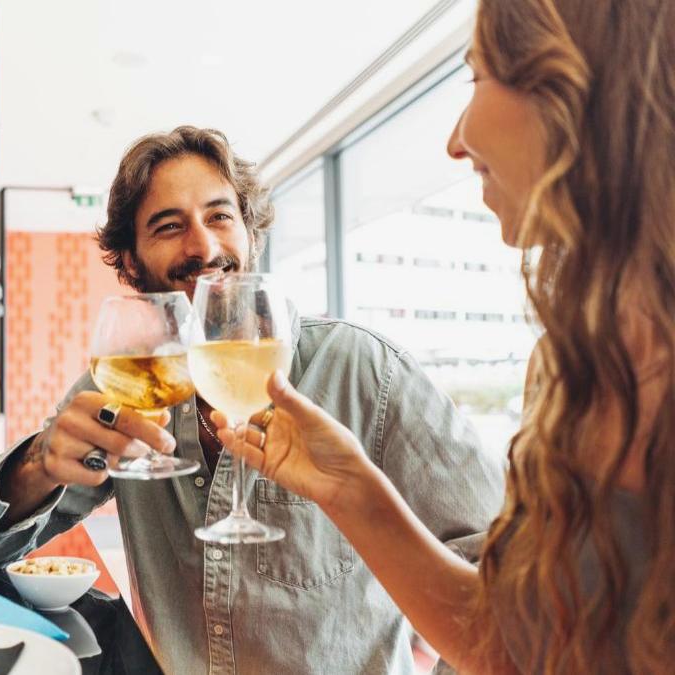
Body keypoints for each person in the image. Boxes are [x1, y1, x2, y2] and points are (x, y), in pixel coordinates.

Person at [216, 1, 675, 673]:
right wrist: (348, 487)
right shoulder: (563, 365)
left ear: (573, 85)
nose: (456, 142)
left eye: (476, 76)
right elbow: (507, 643)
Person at [0, 126, 505, 674]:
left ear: (251, 235)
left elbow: (507, 579)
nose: (205, 247)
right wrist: (38, 462)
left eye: (219, 216)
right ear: (132, 263)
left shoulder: (366, 371)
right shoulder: (128, 385)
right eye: (169, 226)